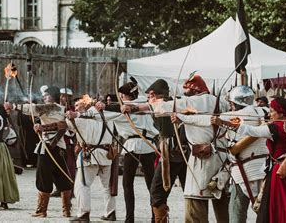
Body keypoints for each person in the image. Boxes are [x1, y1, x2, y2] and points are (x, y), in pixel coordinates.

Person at [131, 74, 230, 223]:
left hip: (202, 161)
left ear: (195, 90)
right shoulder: (221, 102)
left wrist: (134, 107)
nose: (185, 94)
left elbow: (164, 106)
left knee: (194, 203)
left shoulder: (197, 101)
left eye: (187, 90)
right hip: (220, 159)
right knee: (219, 199)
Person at [235, 96, 286, 222]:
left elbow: (251, 130)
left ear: (281, 113)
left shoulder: (275, 128)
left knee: (281, 206)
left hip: (282, 171)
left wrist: (228, 124)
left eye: (272, 111)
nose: (270, 113)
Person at [5, 86, 73, 218]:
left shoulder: (49, 107)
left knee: (44, 178)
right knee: (62, 178)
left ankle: (42, 211)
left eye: (46, 96)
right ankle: (66, 210)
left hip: (48, 148)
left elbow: (32, 109)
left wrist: (12, 106)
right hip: (59, 148)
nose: (44, 97)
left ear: (52, 96)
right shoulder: (60, 108)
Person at [98, 80, 159, 223]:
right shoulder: (147, 104)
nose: (120, 98)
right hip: (148, 145)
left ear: (124, 96)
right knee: (151, 184)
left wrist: (101, 107)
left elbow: (104, 114)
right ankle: (155, 217)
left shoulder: (126, 108)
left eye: (121, 95)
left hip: (132, 146)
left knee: (127, 184)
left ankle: (129, 219)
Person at [209, 86, 268, 223]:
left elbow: (213, 120)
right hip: (265, 170)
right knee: (266, 212)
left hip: (243, 171)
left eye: (231, 103)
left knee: (236, 214)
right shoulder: (265, 111)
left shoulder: (229, 116)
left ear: (234, 102)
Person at [142, 79, 188, 222]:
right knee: (190, 192)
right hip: (182, 153)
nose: (148, 99)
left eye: (150, 96)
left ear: (154, 95)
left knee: (156, 193)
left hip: (173, 153)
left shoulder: (165, 106)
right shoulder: (173, 103)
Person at [65, 96, 116, 221]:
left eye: (78, 105)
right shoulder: (108, 116)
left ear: (85, 106)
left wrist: (70, 117)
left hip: (90, 155)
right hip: (106, 155)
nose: (75, 108)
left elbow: (70, 126)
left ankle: (83, 214)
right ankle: (110, 212)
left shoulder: (80, 118)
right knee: (107, 186)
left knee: (82, 185)